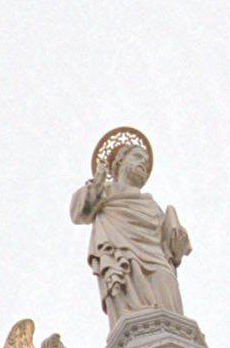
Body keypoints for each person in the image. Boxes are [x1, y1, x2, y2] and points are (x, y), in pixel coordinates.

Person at [70, 136, 190, 327]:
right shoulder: (103, 192)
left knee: (167, 288)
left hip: (157, 260)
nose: (143, 162)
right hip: (122, 257)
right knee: (131, 312)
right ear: (119, 162)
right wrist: (98, 182)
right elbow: (78, 214)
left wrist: (177, 242)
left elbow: (171, 252)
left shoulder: (151, 205)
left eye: (146, 160)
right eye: (136, 156)